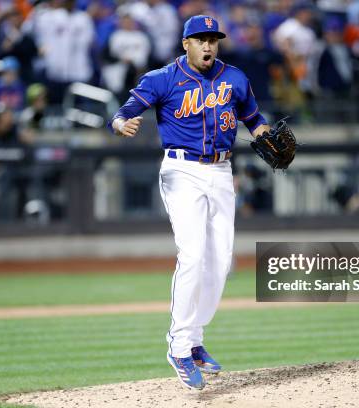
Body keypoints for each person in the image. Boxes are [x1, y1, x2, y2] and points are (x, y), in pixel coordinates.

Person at [109, 15, 270, 390]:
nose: (208, 45)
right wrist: (120, 125)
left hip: (221, 171)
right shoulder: (162, 78)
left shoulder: (235, 78)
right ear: (186, 44)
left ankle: (195, 340)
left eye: (213, 39)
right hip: (181, 171)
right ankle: (178, 346)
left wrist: (265, 134)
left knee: (220, 262)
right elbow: (123, 114)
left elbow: (254, 119)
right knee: (194, 254)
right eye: (200, 39)